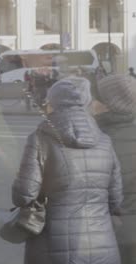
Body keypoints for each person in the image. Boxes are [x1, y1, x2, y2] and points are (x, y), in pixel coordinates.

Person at [12, 77, 123, 264]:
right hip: (102, 246)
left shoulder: (40, 139)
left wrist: (18, 179)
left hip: (53, 248)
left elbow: (24, 195)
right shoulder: (104, 141)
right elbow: (116, 200)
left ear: (54, 103)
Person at [93, 74, 136, 264]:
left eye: (97, 98)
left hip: (108, 234)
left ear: (108, 105)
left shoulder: (96, 140)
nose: (92, 102)